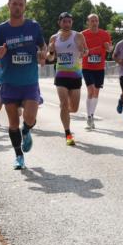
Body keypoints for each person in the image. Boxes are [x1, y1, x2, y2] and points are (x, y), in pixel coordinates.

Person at [0, 0, 47, 170]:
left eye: (21, 4)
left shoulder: (34, 27)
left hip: (29, 81)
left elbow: (42, 46)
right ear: (8, 5)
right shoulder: (1, 30)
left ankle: (27, 130)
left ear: (25, 6)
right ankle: (19, 156)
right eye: (14, 4)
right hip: (9, 82)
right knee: (13, 122)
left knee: (30, 117)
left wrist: (43, 53)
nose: (18, 7)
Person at [46, 12, 87, 146]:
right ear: (60, 22)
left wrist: (83, 50)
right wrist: (51, 51)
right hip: (61, 75)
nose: (67, 24)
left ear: (72, 23)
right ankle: (68, 133)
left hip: (75, 76)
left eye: (69, 21)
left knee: (74, 108)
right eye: (64, 21)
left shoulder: (78, 36)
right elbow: (50, 58)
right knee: (64, 104)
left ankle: (65, 112)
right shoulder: (54, 38)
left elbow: (86, 52)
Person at [80, 13, 112, 130]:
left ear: (98, 22)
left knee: (96, 92)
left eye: (96, 21)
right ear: (88, 22)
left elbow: (110, 49)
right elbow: (79, 50)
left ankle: (91, 115)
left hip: (99, 68)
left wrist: (108, 47)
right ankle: (89, 116)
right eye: (92, 21)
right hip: (87, 67)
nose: (94, 23)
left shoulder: (105, 34)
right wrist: (84, 51)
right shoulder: (82, 35)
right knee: (91, 89)